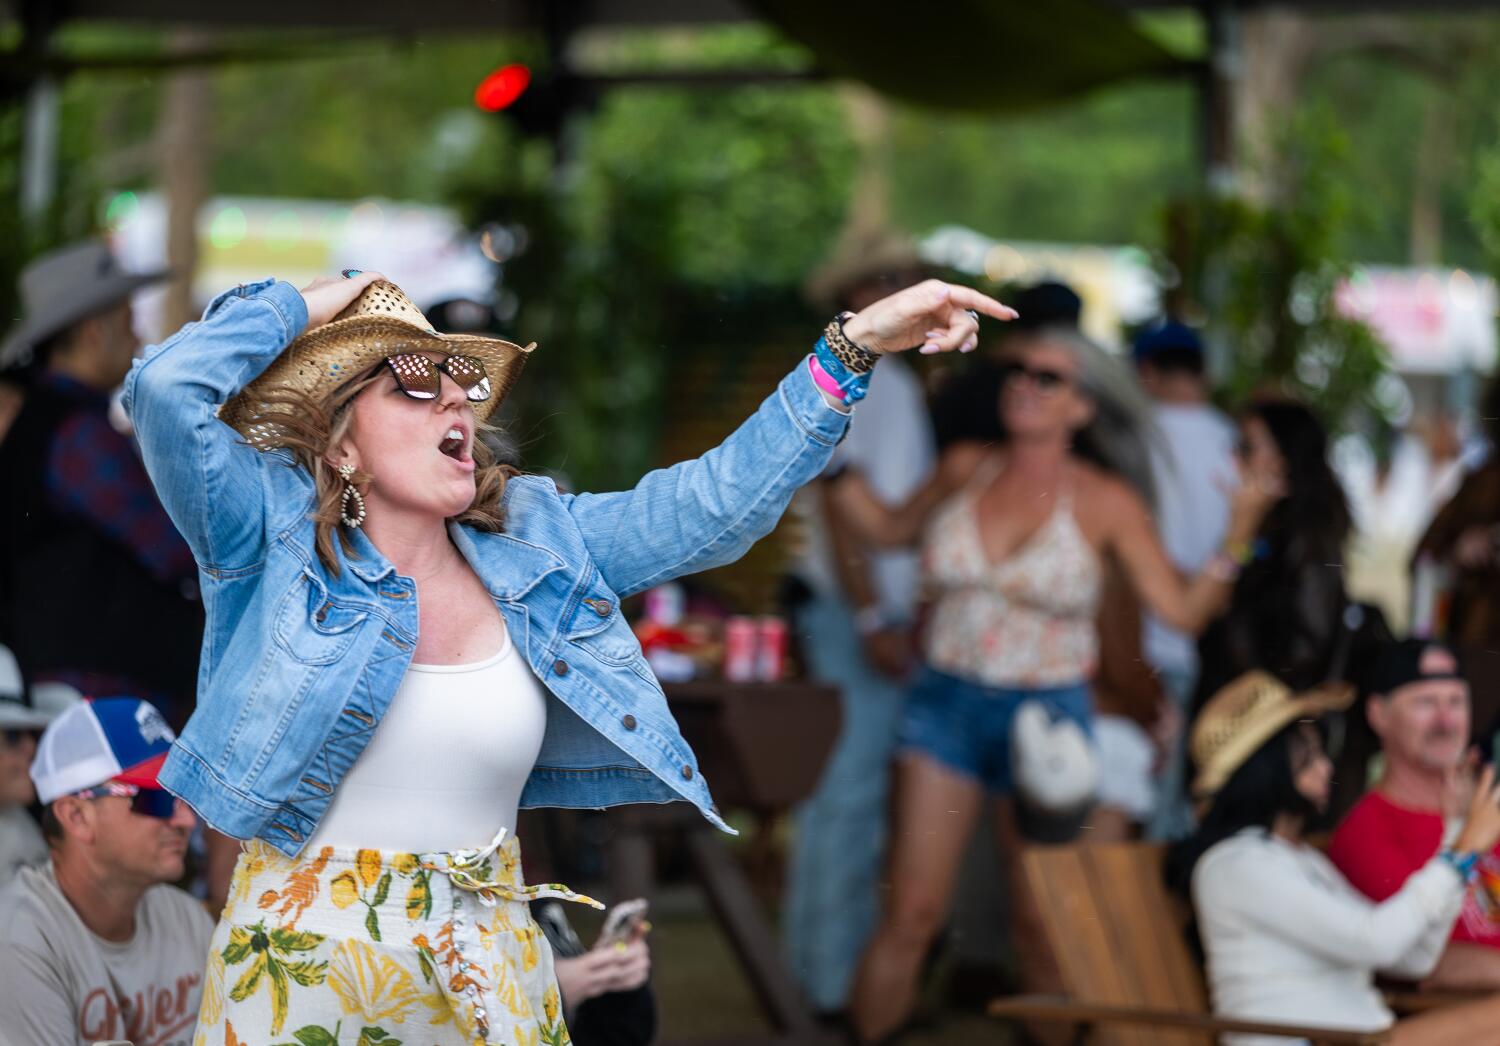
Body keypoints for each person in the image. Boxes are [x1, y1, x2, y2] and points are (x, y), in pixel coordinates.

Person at [123, 269, 1011, 1042]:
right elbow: (166, 389)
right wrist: (310, 303)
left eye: (462, 382)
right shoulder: (269, 538)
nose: (456, 399)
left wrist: (853, 347)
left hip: (488, 958)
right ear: (340, 441)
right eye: (414, 383)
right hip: (307, 959)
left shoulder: (539, 540)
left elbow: (715, 502)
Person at [835, 324, 1281, 1042]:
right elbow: (885, 530)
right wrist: (825, 455)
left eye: (1049, 379)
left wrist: (1240, 530)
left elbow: (1181, 611)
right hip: (945, 703)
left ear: (1083, 407)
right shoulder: (965, 467)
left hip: (1048, 715)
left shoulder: (1106, 501)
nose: (1025, 386)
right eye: (1018, 372)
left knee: (1041, 925)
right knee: (912, 914)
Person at [1165, 671, 1500, 1046]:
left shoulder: (1300, 859)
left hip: (1362, 1036)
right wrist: (1462, 852)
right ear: (1267, 769)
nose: (1325, 767)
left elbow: (1415, 958)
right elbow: (1375, 941)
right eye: (1307, 758)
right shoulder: (1234, 865)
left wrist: (1455, 831)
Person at [782, 227, 936, 1017]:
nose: (904, 289)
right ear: (856, 293)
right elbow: (844, 507)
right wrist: (874, 612)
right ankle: (826, 989)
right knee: (847, 797)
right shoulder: (867, 373)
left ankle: (816, 981)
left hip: (857, 607)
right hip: (855, 611)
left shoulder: (874, 374)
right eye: (889, 278)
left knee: (842, 796)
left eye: (907, 277)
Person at [0, 239, 201, 728]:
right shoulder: (77, 433)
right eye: (129, 322)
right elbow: (173, 545)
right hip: (102, 689)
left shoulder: (53, 419)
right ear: (95, 332)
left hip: (69, 674)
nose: (138, 337)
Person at [0, 697, 211, 1046]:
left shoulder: (188, 919)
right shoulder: (16, 940)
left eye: (184, 795)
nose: (187, 820)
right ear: (77, 817)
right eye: (156, 798)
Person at [1328, 639, 1500, 990]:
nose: (1445, 720)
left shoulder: (1483, 810)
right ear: (1379, 714)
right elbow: (1421, 963)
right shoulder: (1366, 833)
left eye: (1456, 701)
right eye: (1426, 702)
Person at [1131, 320, 1236, 840]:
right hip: (1206, 642)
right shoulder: (1234, 440)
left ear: (1147, 371)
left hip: (1137, 640)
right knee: (1173, 802)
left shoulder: (1136, 435)